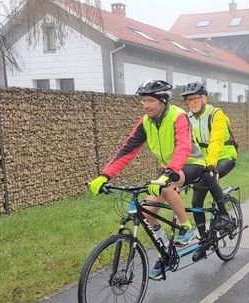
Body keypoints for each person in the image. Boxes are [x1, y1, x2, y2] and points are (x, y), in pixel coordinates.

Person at [88, 79, 206, 280]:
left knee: (166, 186)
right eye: (143, 101)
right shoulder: (146, 122)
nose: (145, 105)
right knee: (148, 214)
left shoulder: (178, 116)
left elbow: (183, 147)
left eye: (150, 100)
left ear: (162, 101)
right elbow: (127, 150)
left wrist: (170, 171)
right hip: (168, 169)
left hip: (191, 163)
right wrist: (104, 175)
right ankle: (167, 252)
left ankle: (187, 229)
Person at [180, 81, 237, 240]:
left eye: (195, 99)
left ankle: (224, 215)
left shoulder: (216, 115)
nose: (192, 103)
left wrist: (210, 164)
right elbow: (185, 144)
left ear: (204, 98)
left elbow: (216, 141)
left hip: (225, 156)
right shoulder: (188, 118)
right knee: (196, 201)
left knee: (208, 176)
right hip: (205, 161)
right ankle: (204, 240)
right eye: (188, 100)